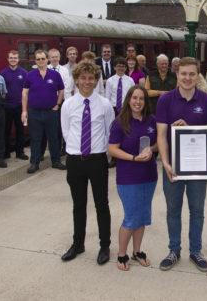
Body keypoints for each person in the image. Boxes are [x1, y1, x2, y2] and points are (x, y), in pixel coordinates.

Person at [156, 57, 207, 272]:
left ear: (197, 75)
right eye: (183, 73)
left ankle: (196, 251)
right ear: (177, 74)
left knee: (197, 211)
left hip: (198, 167)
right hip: (173, 166)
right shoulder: (165, 100)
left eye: (192, 74)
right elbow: (161, 136)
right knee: (173, 210)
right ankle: (174, 250)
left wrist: (189, 127)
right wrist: (165, 162)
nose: (187, 78)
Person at [60, 61, 115, 263]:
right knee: (78, 204)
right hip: (75, 161)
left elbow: (109, 131)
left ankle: (104, 246)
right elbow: (66, 132)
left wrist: (102, 155)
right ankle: (78, 244)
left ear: (96, 80)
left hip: (97, 161)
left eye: (91, 78)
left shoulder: (104, 104)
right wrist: (76, 151)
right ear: (76, 80)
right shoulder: (68, 105)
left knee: (102, 204)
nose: (87, 82)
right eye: (83, 78)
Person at [108, 85, 158, 271]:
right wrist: (134, 158)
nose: (138, 102)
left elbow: (158, 143)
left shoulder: (152, 121)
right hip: (128, 176)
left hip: (149, 175)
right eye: (134, 98)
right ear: (129, 100)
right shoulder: (120, 122)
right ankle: (122, 254)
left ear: (146, 101)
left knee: (143, 216)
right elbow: (112, 149)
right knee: (131, 217)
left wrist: (150, 150)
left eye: (141, 98)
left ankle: (137, 251)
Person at [21, 50, 66, 173]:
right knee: (35, 138)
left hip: (51, 112)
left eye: (43, 59)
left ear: (47, 59)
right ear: (35, 61)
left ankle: (56, 161)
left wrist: (57, 104)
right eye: (38, 59)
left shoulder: (55, 75)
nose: (41, 61)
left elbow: (61, 90)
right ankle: (34, 162)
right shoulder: (30, 75)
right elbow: (25, 93)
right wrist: (24, 111)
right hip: (34, 112)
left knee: (54, 138)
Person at [0, 50, 28, 161]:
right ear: (7, 59)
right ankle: (6, 152)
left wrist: (24, 108)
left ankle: (20, 152)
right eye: (11, 58)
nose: (13, 60)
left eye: (15, 58)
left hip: (20, 107)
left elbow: (26, 90)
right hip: (6, 107)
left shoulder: (24, 73)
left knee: (20, 130)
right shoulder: (2, 73)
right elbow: (1, 91)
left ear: (18, 59)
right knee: (5, 131)